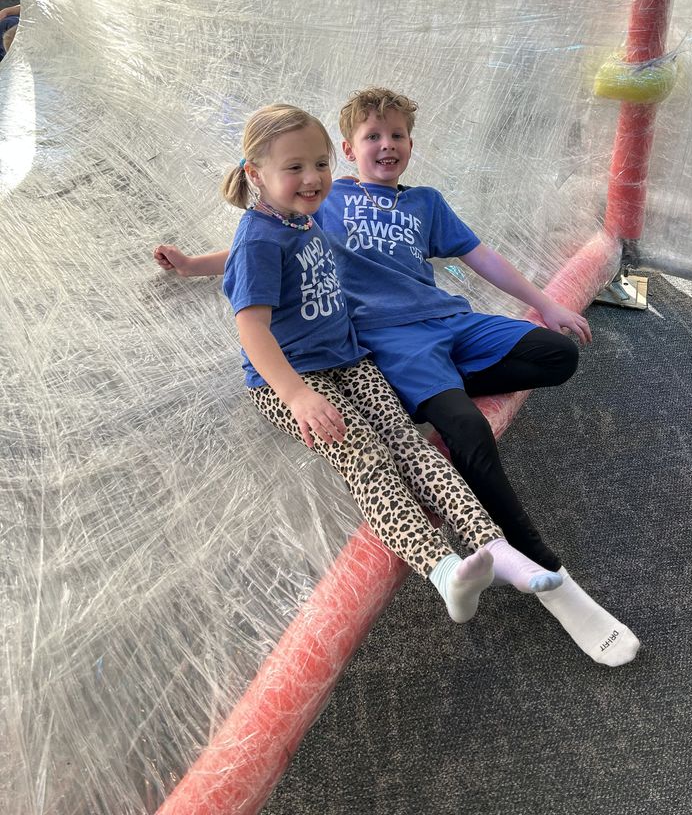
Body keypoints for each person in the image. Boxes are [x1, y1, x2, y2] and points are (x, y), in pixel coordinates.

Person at [155, 89, 641, 666]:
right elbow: (253, 259)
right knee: (426, 446)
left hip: (421, 332)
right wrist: (194, 271)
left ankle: (443, 423)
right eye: (371, 137)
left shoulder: (385, 204)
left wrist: (544, 304)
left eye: (396, 137)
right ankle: (523, 560)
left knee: (550, 360)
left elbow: (477, 257)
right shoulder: (323, 208)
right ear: (350, 148)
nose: (384, 147)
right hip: (372, 350)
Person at [208, 101, 565, 626]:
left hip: (349, 356)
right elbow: (251, 326)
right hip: (294, 377)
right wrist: (298, 396)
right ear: (255, 175)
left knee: (412, 448)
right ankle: (443, 570)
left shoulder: (305, 218)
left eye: (319, 164)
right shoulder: (262, 235)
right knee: (367, 458)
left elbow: (257, 258)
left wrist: (197, 263)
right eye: (295, 168)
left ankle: (499, 550)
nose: (312, 178)